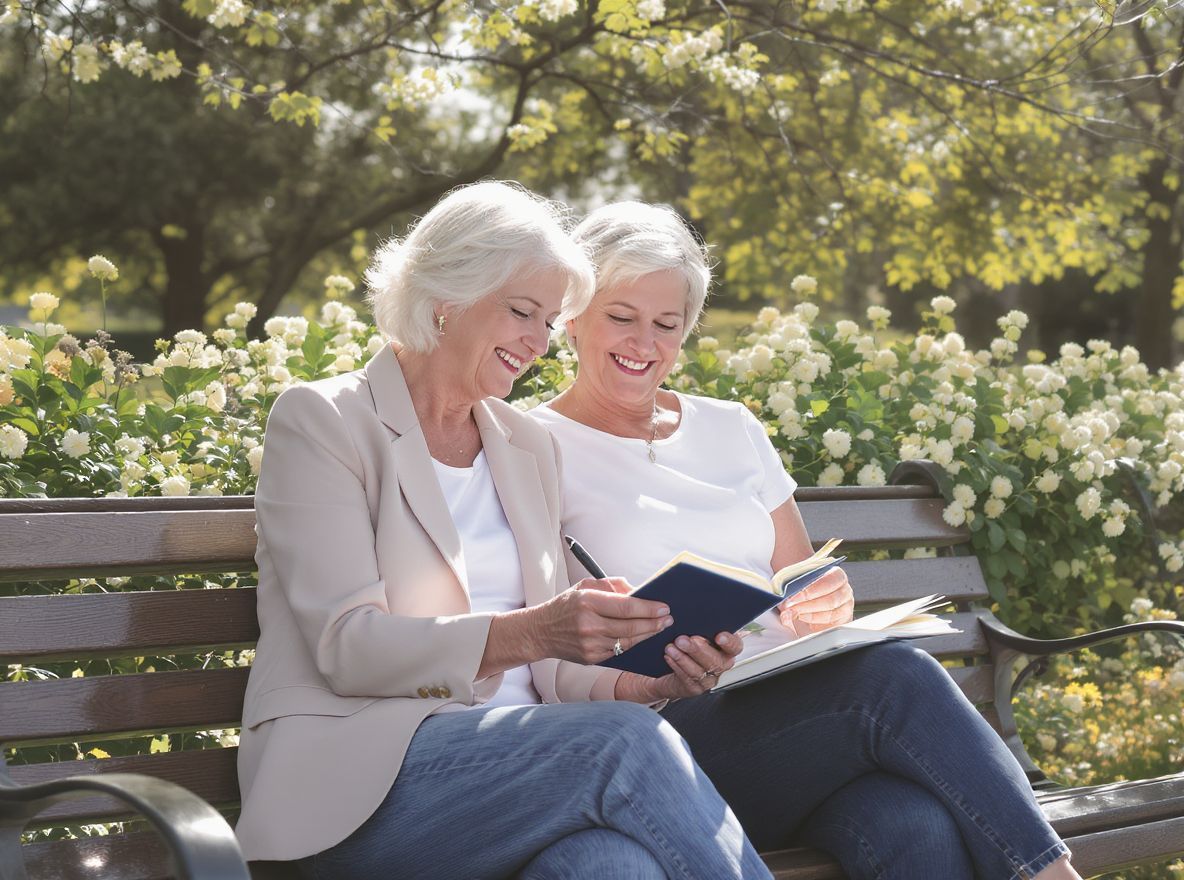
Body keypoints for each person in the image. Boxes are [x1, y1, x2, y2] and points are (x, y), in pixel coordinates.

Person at [234, 182, 777, 880]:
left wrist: (643, 683)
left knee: (608, 867)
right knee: (621, 746)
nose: (538, 340)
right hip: (361, 789)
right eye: (522, 312)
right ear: (444, 300)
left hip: (524, 775)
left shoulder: (524, 444)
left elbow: (547, 673)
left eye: (550, 320)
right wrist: (533, 630)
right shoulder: (325, 421)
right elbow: (348, 647)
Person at [530, 200, 1083, 880]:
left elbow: (800, 578)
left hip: (786, 727)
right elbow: (540, 654)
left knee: (914, 824)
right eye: (621, 317)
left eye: (666, 324)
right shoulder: (532, 450)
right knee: (898, 677)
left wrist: (820, 600)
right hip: (661, 740)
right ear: (573, 316)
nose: (644, 343)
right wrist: (646, 679)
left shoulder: (731, 427)